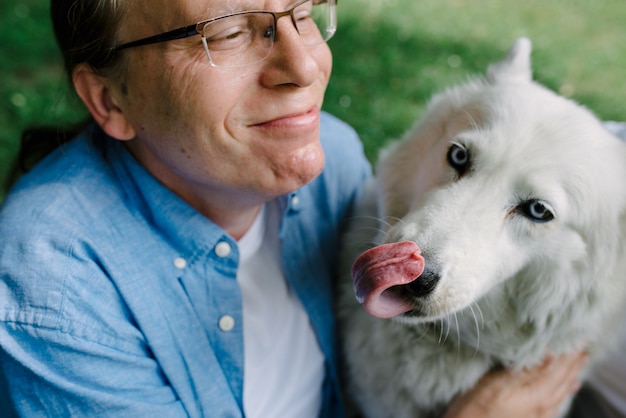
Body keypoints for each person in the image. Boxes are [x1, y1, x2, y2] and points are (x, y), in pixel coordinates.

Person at [0, 0, 587, 417]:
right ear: (110, 97)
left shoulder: (330, 156)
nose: (306, 67)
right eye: (226, 32)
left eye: (301, 13)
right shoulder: (53, 287)